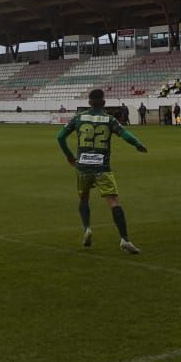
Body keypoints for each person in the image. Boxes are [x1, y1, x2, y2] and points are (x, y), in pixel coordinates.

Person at [56, 88, 147, 253]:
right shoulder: (109, 119)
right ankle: (125, 239)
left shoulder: (79, 118)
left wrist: (69, 156)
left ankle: (87, 228)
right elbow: (125, 134)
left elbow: (60, 137)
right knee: (113, 202)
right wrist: (138, 144)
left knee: (84, 200)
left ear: (89, 102)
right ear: (104, 103)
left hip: (83, 166)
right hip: (102, 167)